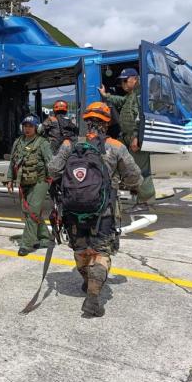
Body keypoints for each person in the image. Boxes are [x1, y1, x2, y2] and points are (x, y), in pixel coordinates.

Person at [48, 102, 142, 317]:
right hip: (105, 211)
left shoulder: (69, 144)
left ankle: (87, 281)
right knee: (101, 253)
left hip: (72, 211)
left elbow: (53, 169)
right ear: (107, 124)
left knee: (80, 250)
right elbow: (134, 176)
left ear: (86, 121)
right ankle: (93, 297)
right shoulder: (116, 146)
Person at [99, 68, 155, 211]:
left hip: (136, 140)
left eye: (125, 80)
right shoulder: (131, 95)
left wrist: (136, 137)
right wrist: (106, 95)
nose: (122, 84)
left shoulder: (140, 96)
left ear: (135, 79)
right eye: (121, 81)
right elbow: (121, 100)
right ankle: (138, 199)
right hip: (129, 139)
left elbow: (140, 118)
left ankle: (144, 202)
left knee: (141, 171)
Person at [7, 114, 54, 256]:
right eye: (25, 126)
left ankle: (27, 244)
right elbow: (12, 162)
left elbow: (51, 163)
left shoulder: (42, 143)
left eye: (30, 126)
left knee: (32, 211)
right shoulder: (18, 142)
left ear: (37, 128)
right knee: (28, 212)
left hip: (40, 182)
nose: (27, 129)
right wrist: (10, 179)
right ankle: (45, 238)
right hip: (24, 182)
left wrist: (56, 181)